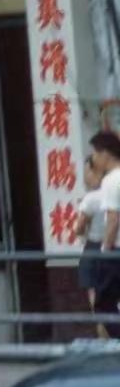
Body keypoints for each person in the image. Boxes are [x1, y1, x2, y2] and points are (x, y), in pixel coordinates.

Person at [83, 131, 120, 335]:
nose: (94, 159)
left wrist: (105, 250)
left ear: (106, 153)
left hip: (115, 252)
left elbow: (113, 220)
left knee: (103, 303)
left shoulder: (111, 180)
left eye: (96, 153)